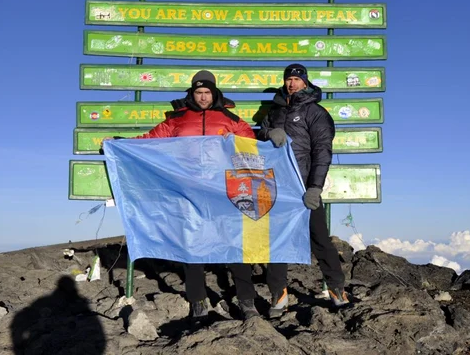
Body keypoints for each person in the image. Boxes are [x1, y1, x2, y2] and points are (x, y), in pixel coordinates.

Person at [104, 70, 260, 323]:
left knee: (235, 246)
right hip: (187, 191)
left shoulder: (230, 119)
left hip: (222, 191)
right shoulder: (177, 120)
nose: (202, 97)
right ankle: (198, 301)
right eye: (198, 92)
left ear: (214, 93)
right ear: (192, 93)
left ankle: (246, 301)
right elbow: (150, 142)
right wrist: (120, 143)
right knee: (192, 246)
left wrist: (269, 140)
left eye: (207, 92)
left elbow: (251, 145)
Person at [257, 63, 349, 318]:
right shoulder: (274, 112)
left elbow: (322, 150)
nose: (292, 83)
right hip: (278, 186)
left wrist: (315, 188)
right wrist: (268, 132)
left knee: (320, 238)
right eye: (288, 79)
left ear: (305, 83)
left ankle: (337, 290)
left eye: (297, 79)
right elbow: (260, 138)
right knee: (277, 241)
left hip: (305, 187)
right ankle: (279, 295)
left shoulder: (315, 112)